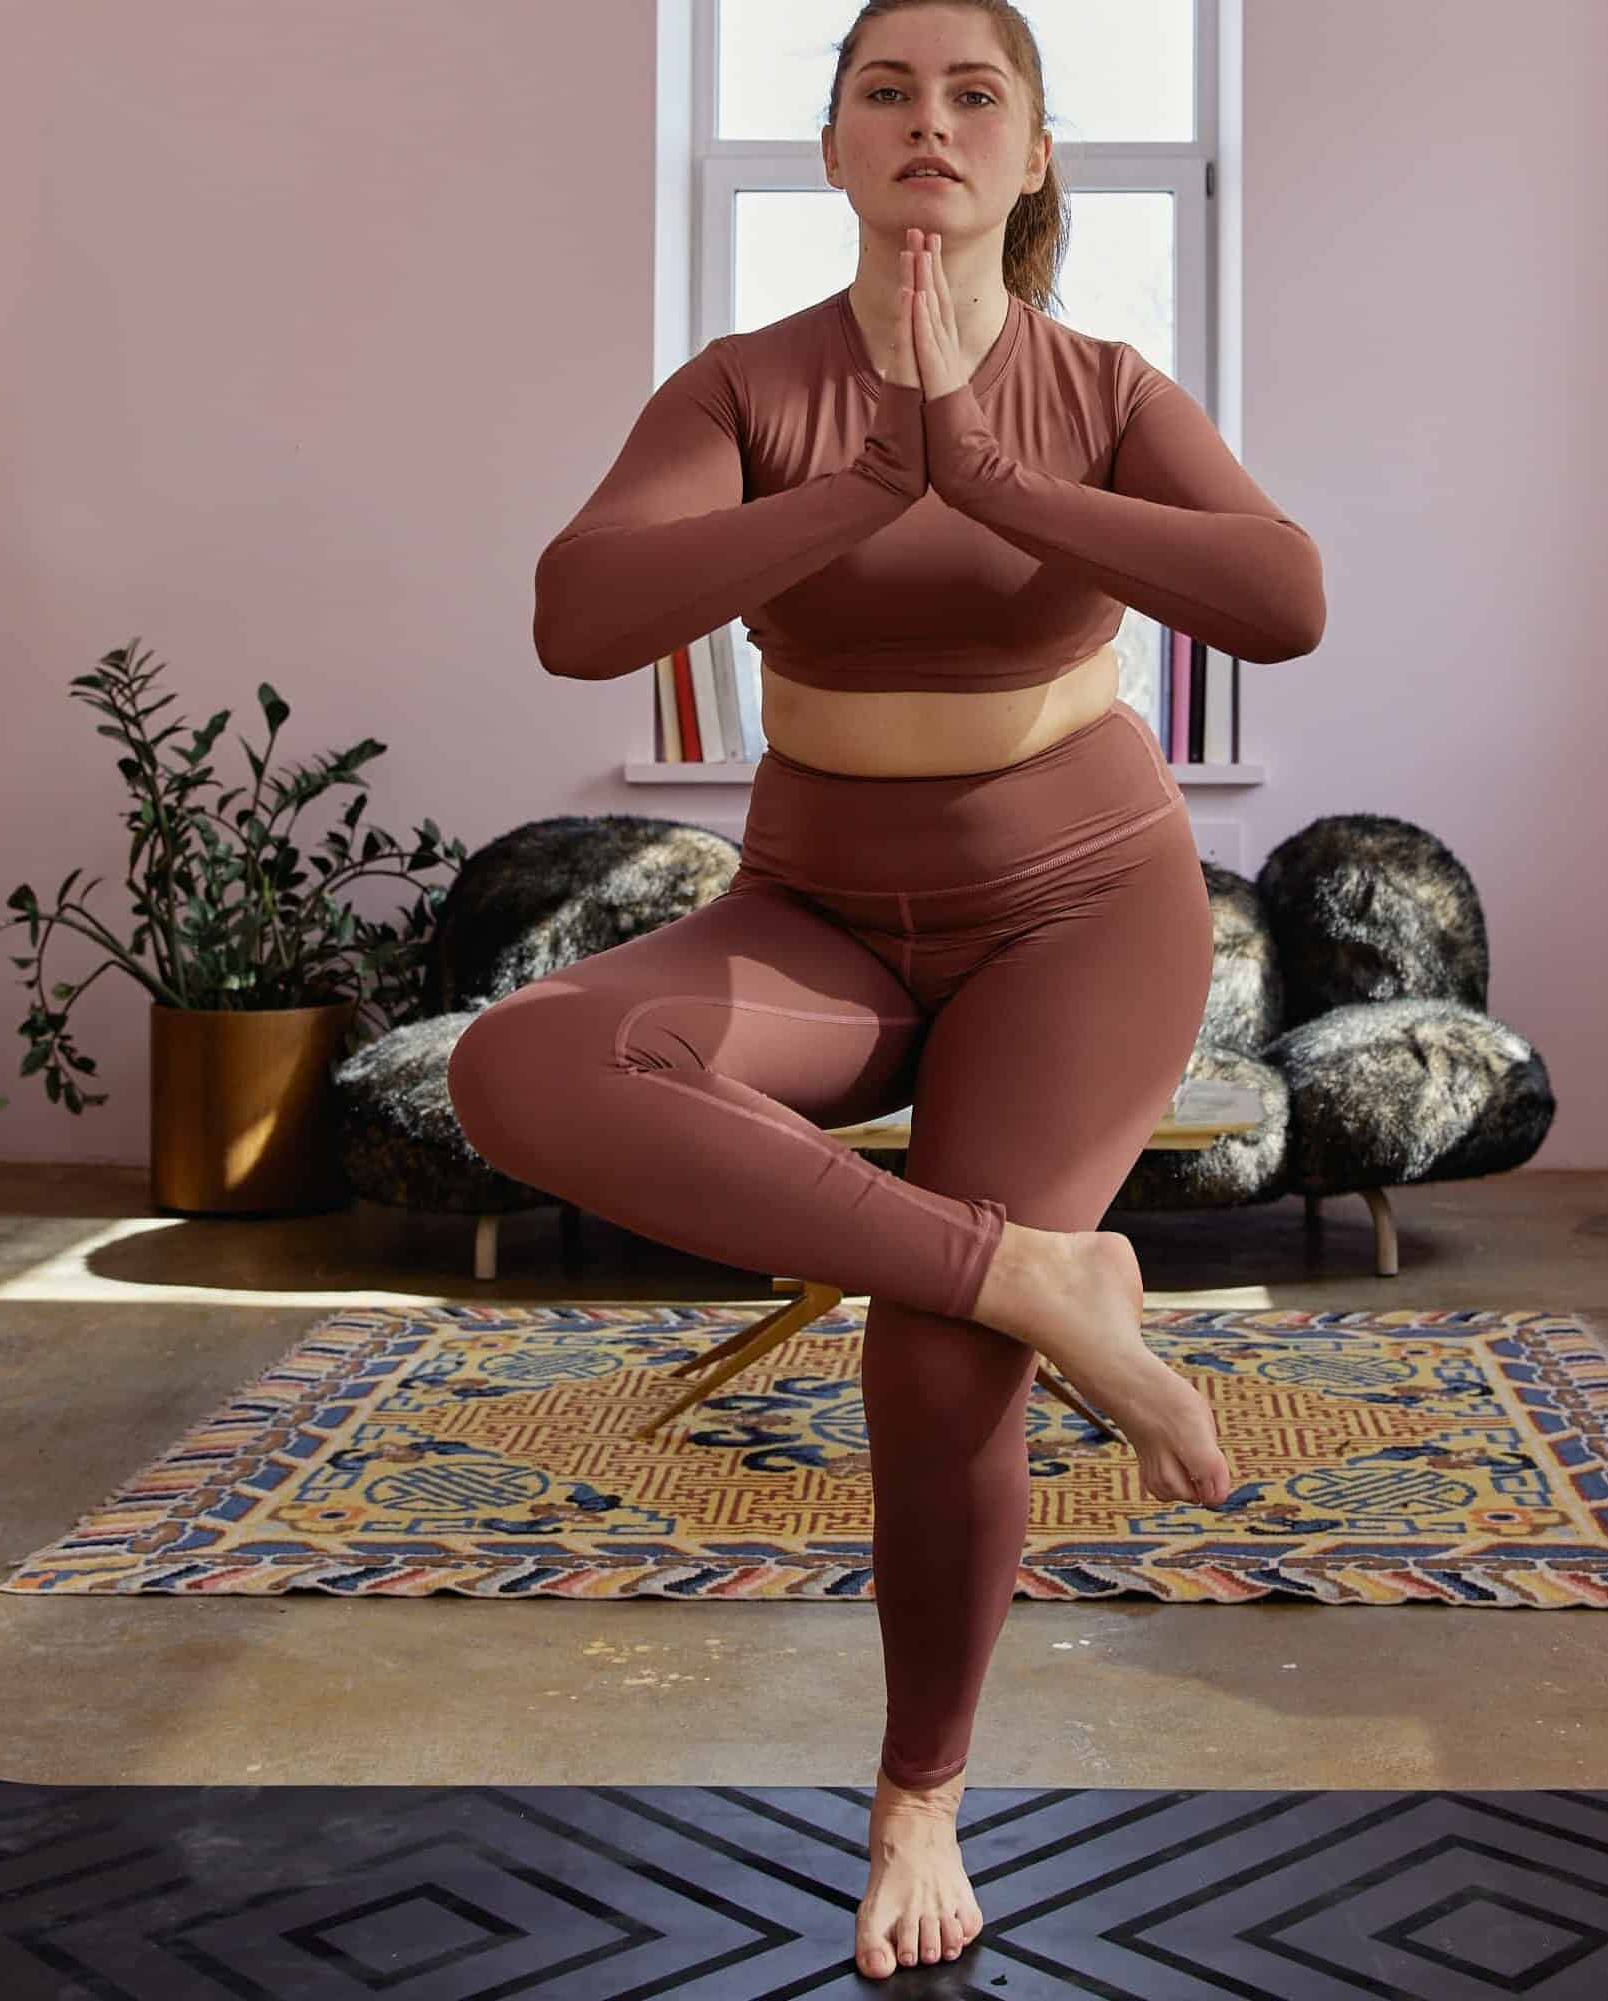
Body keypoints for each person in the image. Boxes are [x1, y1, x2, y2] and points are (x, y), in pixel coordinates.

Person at [447, 0, 1325, 1979]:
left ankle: (917, 1785)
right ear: (835, 149)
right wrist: (867, 478)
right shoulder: (740, 387)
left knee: (925, 1370)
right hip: (819, 912)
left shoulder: (1104, 384)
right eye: (884, 90)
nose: (927, 120)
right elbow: (577, 615)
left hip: (1084, 915)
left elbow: (1279, 592)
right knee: (521, 1063)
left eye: (974, 93)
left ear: (1028, 163)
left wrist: (990, 475)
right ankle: (1032, 1267)